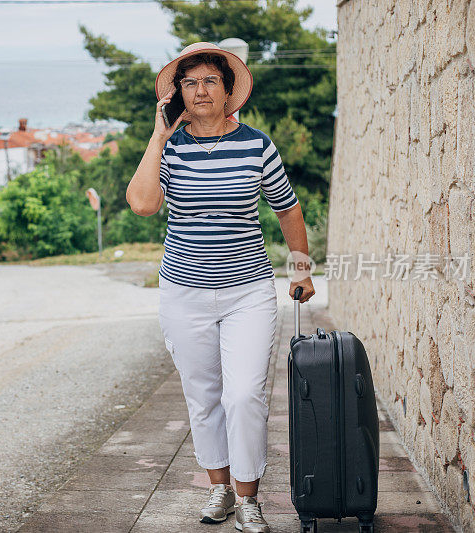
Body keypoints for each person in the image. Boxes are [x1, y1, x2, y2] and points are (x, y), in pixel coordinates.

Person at [126, 42, 315, 533]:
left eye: (211, 80)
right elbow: (144, 204)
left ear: (228, 90)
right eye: (190, 83)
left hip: (247, 289)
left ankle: (248, 497)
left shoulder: (256, 144)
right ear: (178, 94)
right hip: (183, 291)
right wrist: (157, 137)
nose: (201, 90)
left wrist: (300, 267)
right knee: (203, 395)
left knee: (244, 395)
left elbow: (287, 207)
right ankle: (219, 489)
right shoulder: (170, 148)